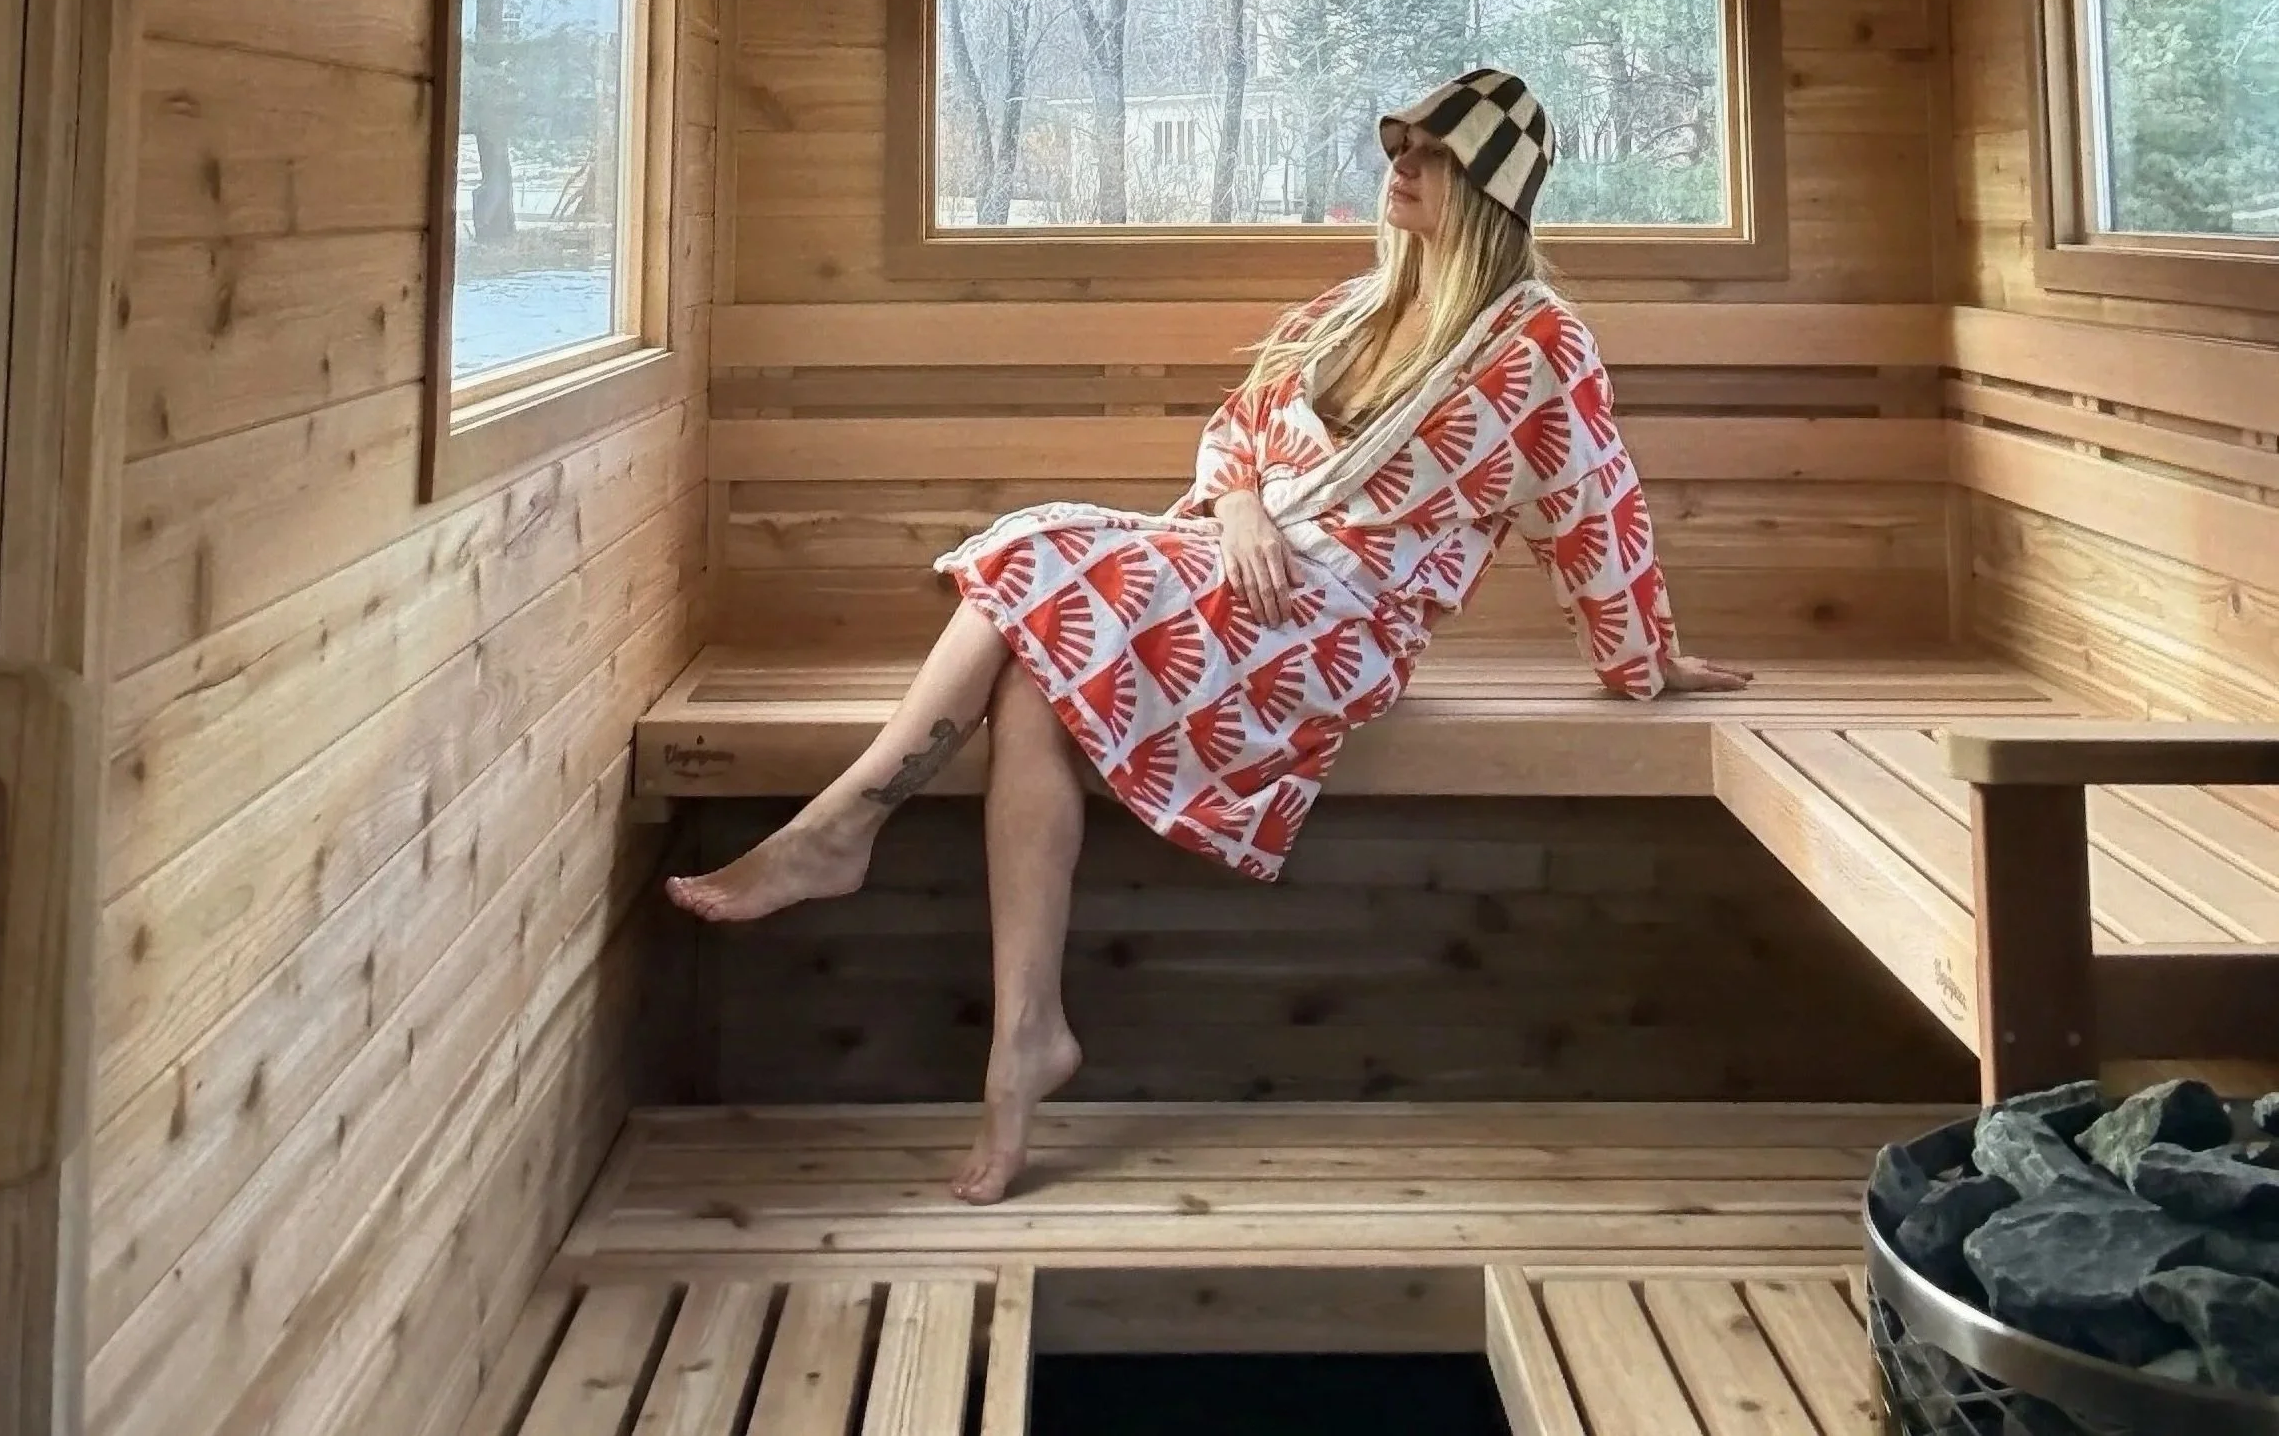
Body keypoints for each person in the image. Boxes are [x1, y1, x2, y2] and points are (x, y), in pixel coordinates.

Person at [665, 69, 1751, 1204]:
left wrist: (1645, 661)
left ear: (1484, 188)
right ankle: (1024, 1034)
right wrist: (1235, 512)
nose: (1399, 165)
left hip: (1338, 624)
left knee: (1034, 546)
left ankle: (842, 828)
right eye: (1396, 142)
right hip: (1241, 573)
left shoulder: (1541, 345)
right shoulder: (1349, 311)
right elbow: (1235, 440)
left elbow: (1594, 509)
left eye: (1428, 152)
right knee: (1035, 672)